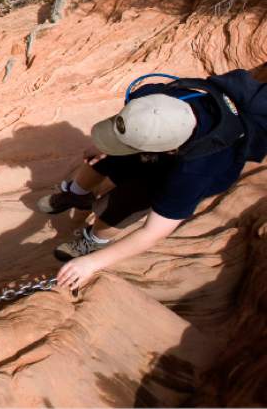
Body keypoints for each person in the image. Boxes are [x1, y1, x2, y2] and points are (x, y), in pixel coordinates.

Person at [41, 70, 266, 291]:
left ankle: (92, 242)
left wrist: (92, 263)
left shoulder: (196, 173)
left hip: (185, 164)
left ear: (167, 149)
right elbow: (129, 122)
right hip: (173, 142)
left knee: (122, 205)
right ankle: (77, 194)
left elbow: (153, 232)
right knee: (101, 160)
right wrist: (108, 144)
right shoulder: (156, 98)